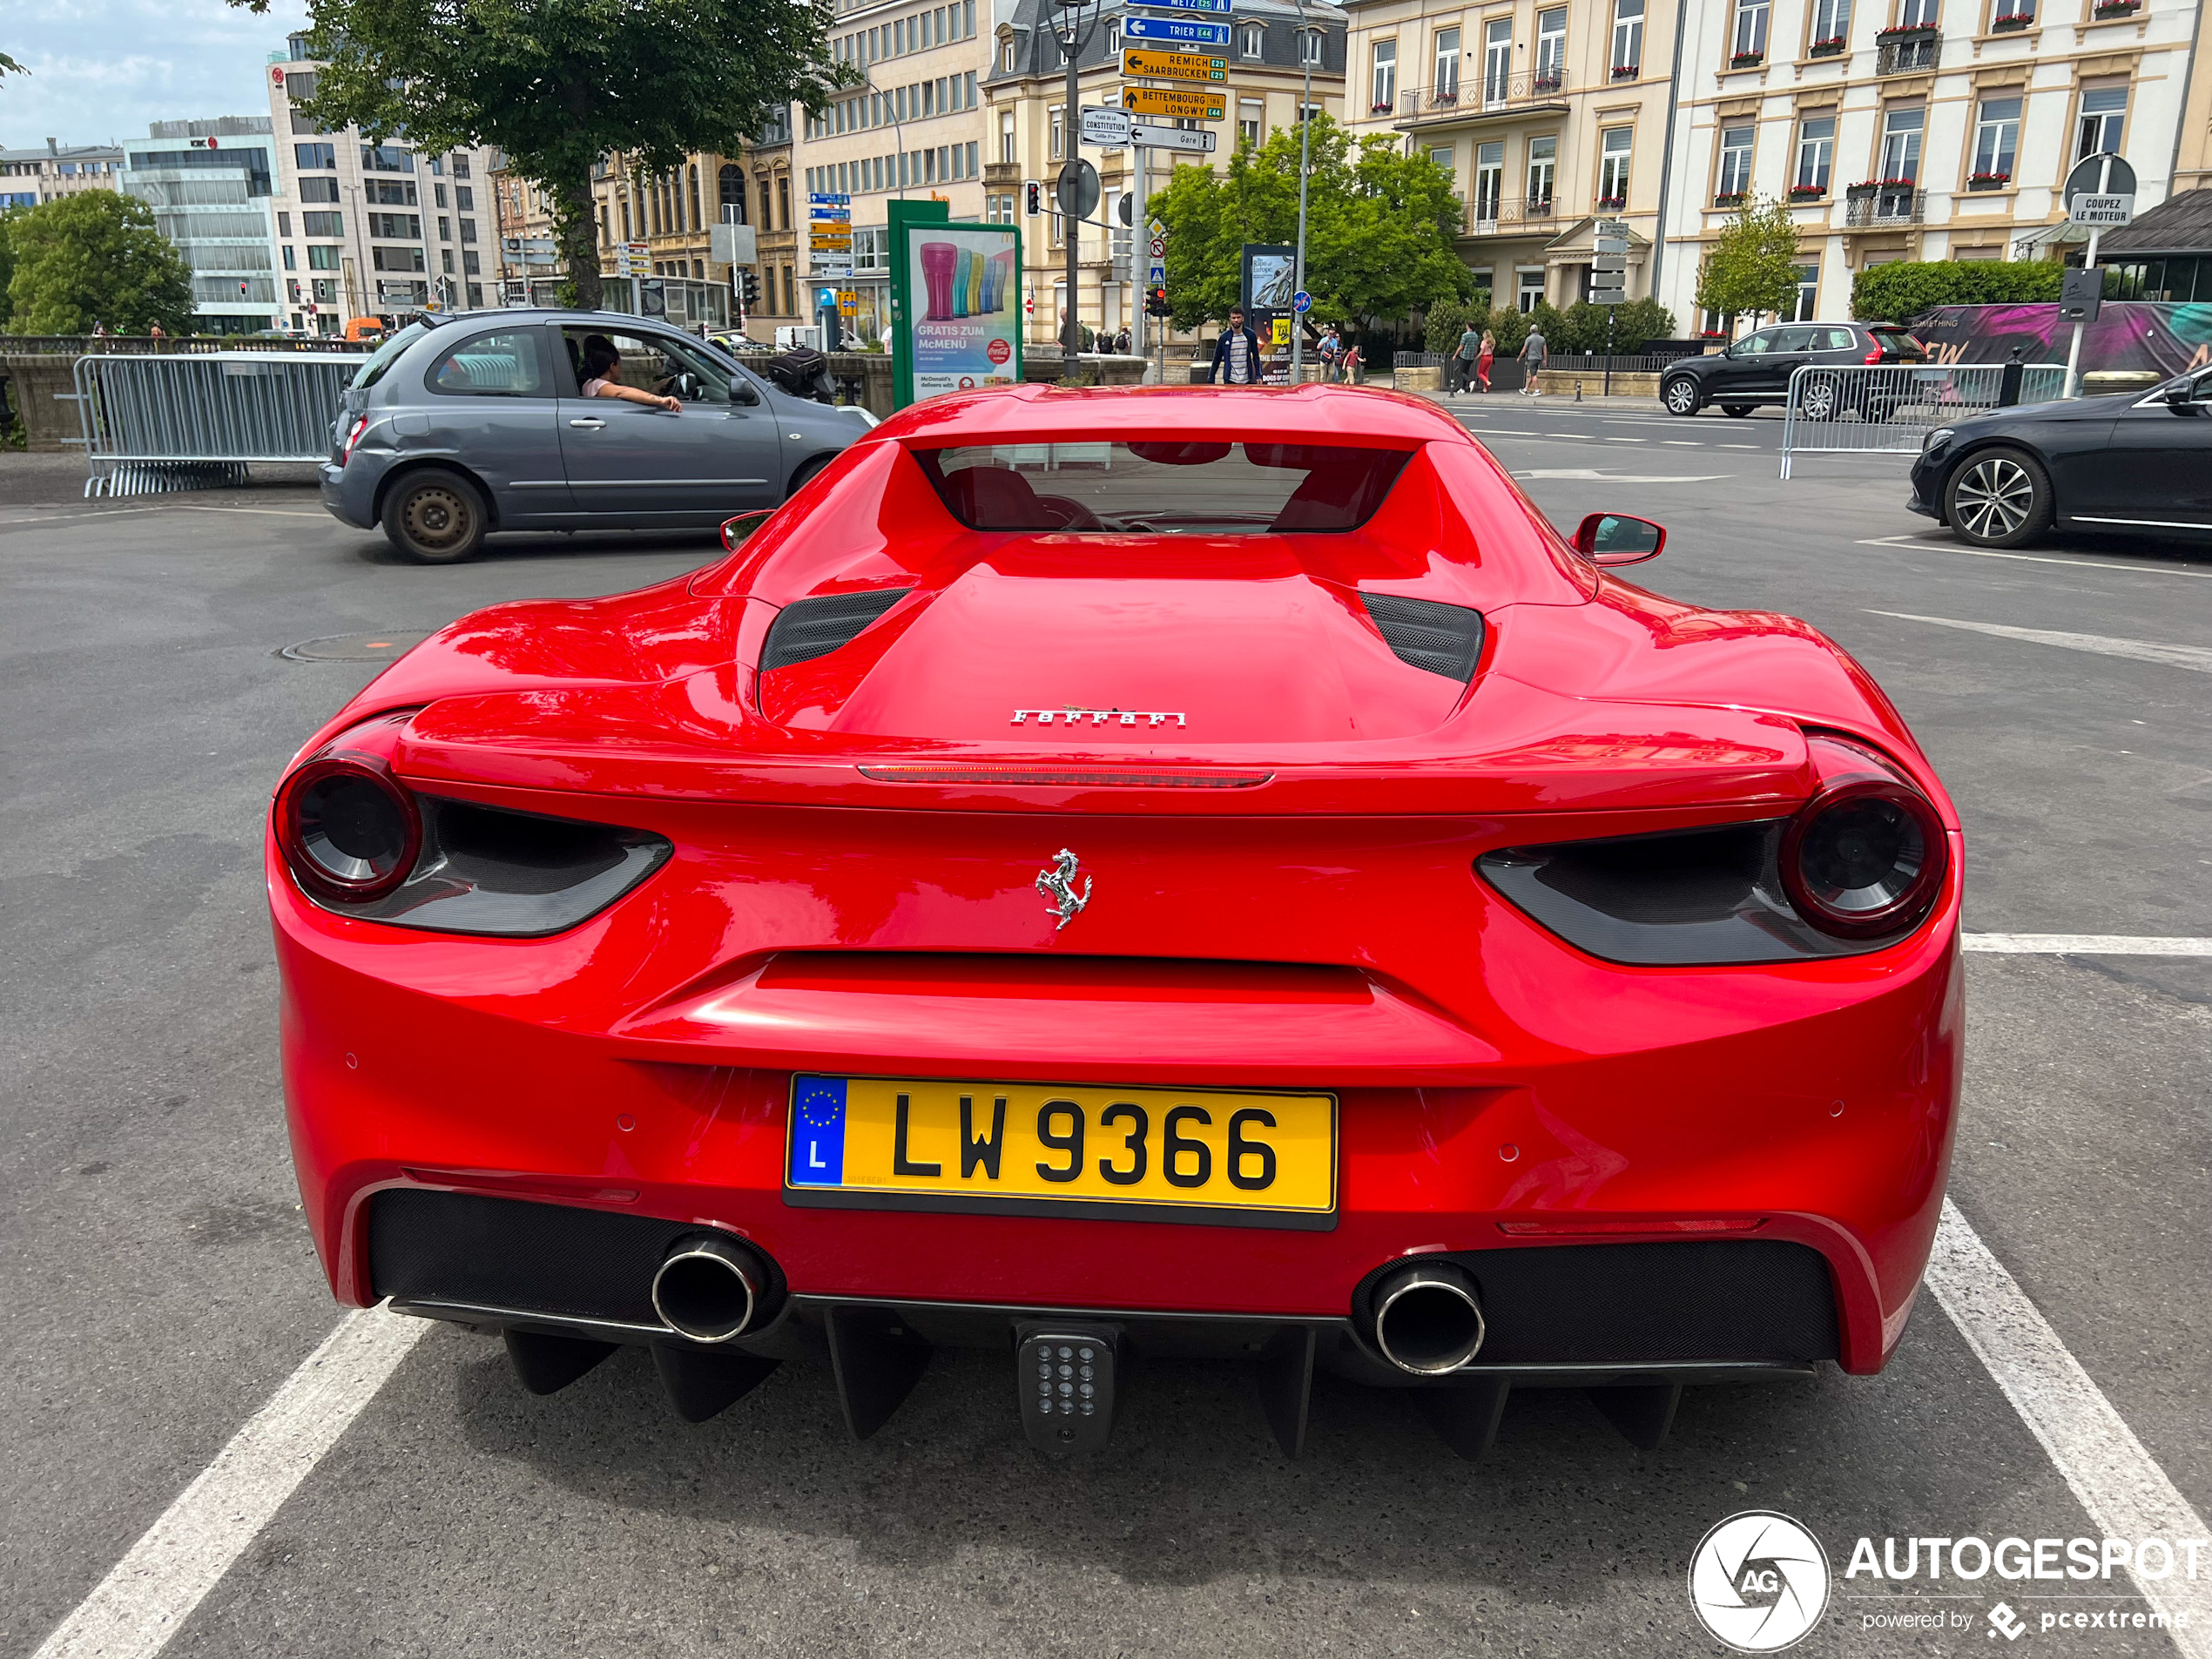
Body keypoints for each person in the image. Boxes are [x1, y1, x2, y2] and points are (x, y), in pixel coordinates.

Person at [580, 335, 681, 412]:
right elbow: (622, 391)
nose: (621, 367)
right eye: (620, 363)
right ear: (612, 366)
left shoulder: (589, 384)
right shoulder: (597, 385)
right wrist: (660, 400)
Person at [1208, 306, 1262, 385]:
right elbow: (1217, 359)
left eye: (1238, 317)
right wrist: (1211, 378)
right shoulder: (1224, 338)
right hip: (1230, 380)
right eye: (1233, 318)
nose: (1236, 320)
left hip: (1247, 379)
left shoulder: (1250, 335)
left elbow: (1256, 357)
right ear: (1230, 319)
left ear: (1243, 318)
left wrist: (1258, 375)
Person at [1519, 320, 1548, 397]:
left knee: (1533, 374)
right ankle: (1525, 389)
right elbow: (1545, 350)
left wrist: (1519, 357)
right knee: (1533, 374)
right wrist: (1545, 359)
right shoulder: (1542, 339)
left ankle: (1537, 390)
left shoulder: (1529, 339)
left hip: (1532, 358)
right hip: (1539, 358)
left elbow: (1524, 349)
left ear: (1530, 331)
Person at [1453, 320, 1482, 395]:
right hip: (1471, 357)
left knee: (1461, 372)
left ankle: (1470, 381)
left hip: (1464, 356)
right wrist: (1475, 355)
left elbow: (1461, 347)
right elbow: (1476, 346)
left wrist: (1455, 355)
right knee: (1466, 371)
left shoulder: (1465, 335)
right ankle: (1462, 388)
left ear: (1468, 326)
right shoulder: (1476, 336)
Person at [1477, 328, 1495, 395]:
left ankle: (1487, 382)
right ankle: (1485, 388)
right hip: (1490, 357)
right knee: (1486, 372)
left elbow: (1481, 352)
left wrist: (1476, 357)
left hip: (1484, 358)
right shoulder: (1493, 342)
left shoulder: (1484, 342)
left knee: (1480, 373)